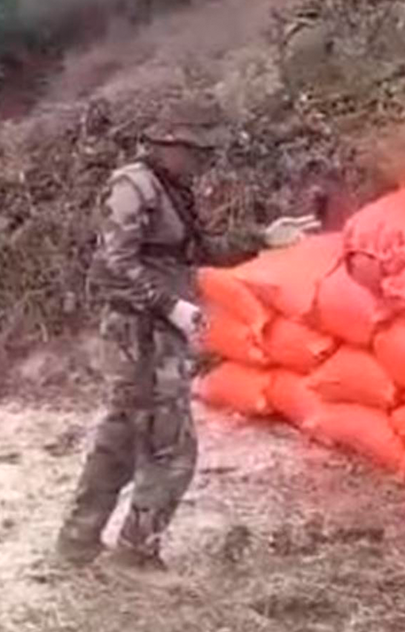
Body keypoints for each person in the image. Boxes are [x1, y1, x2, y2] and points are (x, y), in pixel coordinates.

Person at [55, 99, 319, 571]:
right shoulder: (133, 186)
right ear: (171, 144)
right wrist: (169, 305)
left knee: (120, 442)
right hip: (139, 335)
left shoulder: (169, 187)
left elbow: (195, 251)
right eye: (198, 151)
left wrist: (262, 238)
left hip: (153, 332)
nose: (204, 161)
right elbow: (112, 265)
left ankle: (77, 543)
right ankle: (135, 556)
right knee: (172, 451)